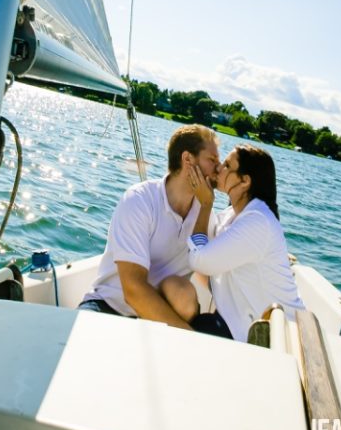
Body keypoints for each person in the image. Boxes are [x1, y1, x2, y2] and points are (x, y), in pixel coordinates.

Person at [78, 125, 220, 327]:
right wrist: (189, 337)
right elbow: (133, 290)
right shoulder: (140, 200)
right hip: (110, 307)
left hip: (162, 319)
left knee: (183, 292)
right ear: (188, 159)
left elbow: (211, 275)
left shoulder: (207, 216)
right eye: (212, 160)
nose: (219, 168)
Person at [161, 145, 303, 341]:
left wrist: (205, 204)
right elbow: (207, 238)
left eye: (227, 165)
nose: (219, 167)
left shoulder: (257, 221)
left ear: (245, 181)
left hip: (273, 339)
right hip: (237, 325)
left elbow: (199, 260)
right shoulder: (234, 214)